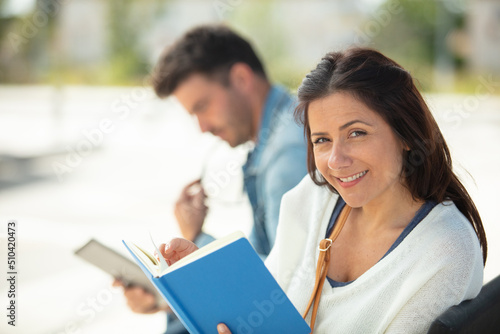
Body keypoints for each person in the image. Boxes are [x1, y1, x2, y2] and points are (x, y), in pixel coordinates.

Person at [158, 47, 488, 334]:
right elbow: (270, 296)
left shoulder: (445, 251)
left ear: (405, 134)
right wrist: (209, 280)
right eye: (322, 140)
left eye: (357, 133)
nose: (336, 160)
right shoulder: (315, 198)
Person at [114, 24, 307, 333]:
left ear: (242, 78)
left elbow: (283, 286)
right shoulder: (274, 138)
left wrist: (195, 237)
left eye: (202, 106)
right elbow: (266, 259)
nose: (202, 127)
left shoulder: (287, 154)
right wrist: (168, 297)